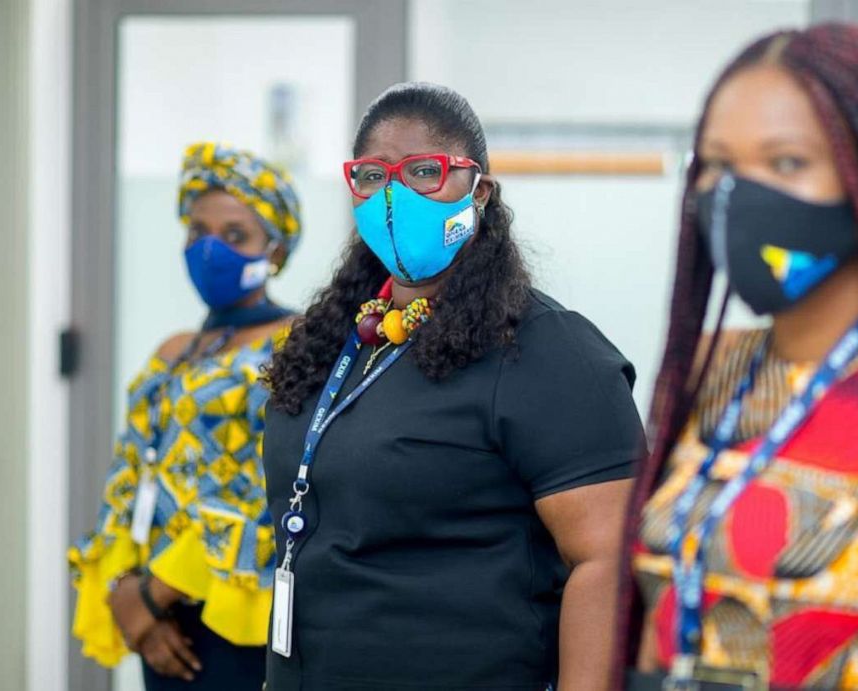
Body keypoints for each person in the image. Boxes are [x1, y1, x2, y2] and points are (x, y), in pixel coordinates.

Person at [618, 23, 858, 690]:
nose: (738, 198)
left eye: (786, 163)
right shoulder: (707, 369)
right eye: (719, 166)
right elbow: (652, 618)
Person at [262, 82, 647, 690]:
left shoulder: (547, 350)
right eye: (371, 176)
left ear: (480, 191)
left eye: (424, 171)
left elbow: (606, 562)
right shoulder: (340, 337)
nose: (394, 196)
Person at [69, 142, 302, 690]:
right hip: (154, 614)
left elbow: (276, 489)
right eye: (198, 231)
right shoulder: (174, 349)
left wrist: (154, 592)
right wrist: (128, 591)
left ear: (275, 250)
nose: (210, 248)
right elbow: (131, 476)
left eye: (235, 234)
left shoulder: (297, 342)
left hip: (237, 607)